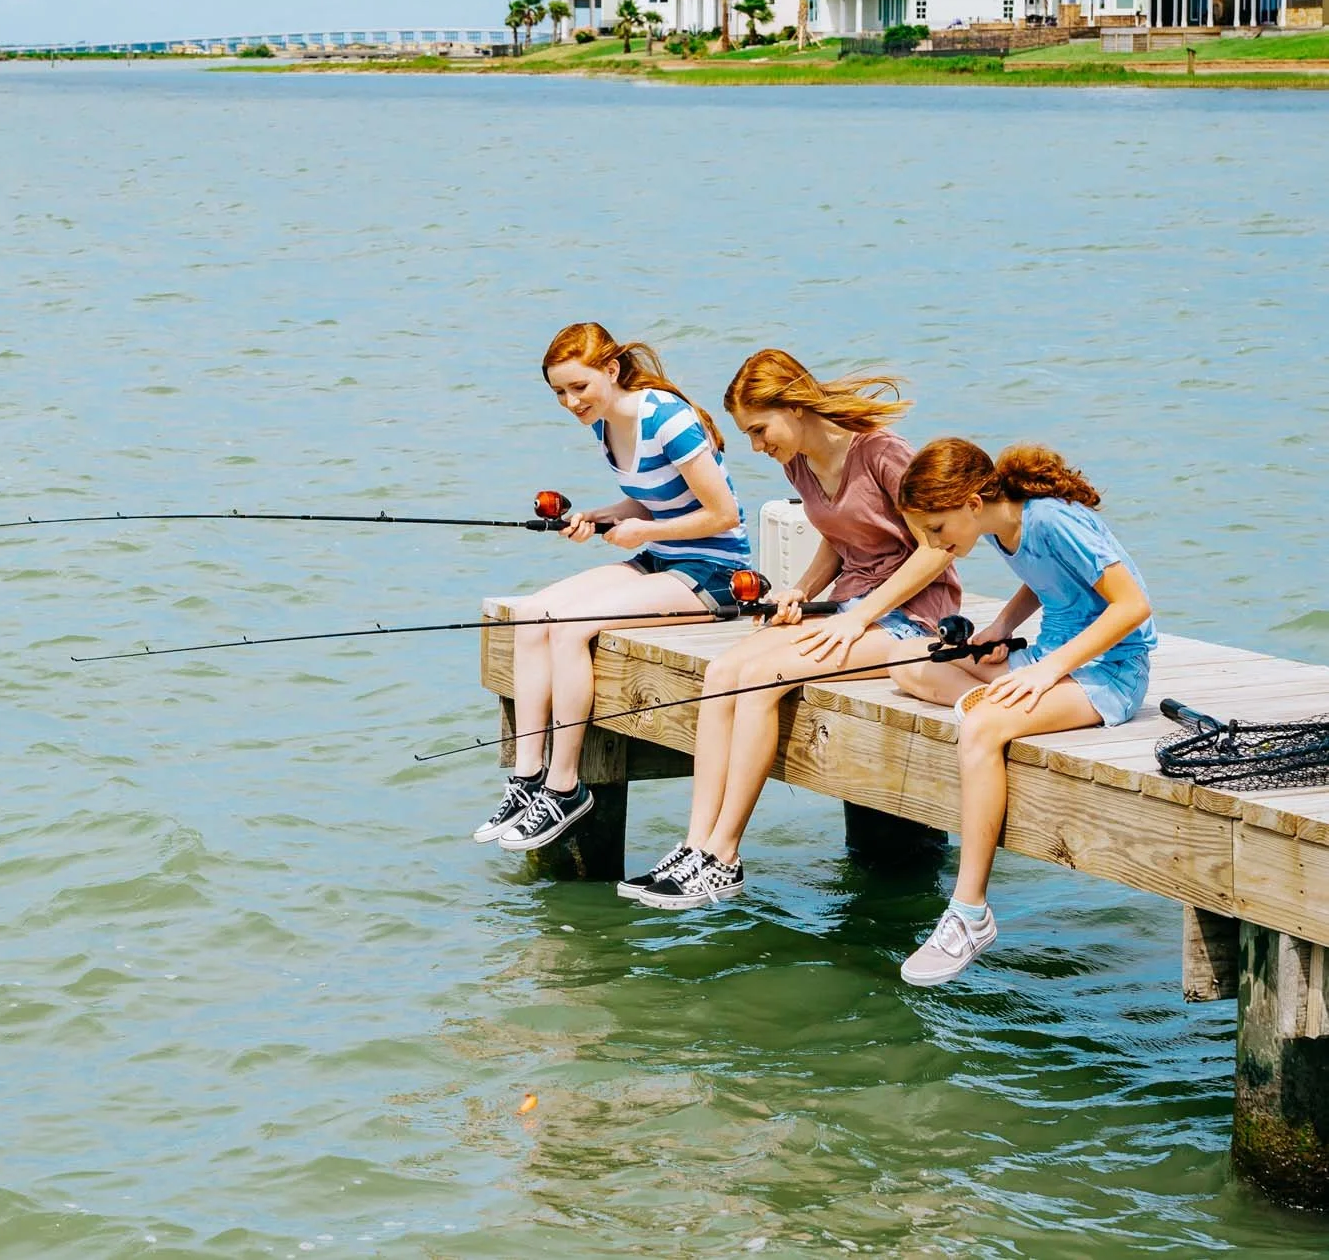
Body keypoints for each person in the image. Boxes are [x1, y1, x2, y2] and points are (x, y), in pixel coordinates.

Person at [623, 350, 962, 909]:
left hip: (910, 616)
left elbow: (937, 548)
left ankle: (725, 856)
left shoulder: (884, 454)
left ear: (794, 406)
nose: (757, 445)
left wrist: (859, 615)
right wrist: (801, 592)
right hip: (846, 606)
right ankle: (696, 845)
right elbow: (837, 534)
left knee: (761, 678)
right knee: (726, 671)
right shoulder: (800, 464)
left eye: (760, 429)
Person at [887, 439, 1155, 986]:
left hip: (1108, 673)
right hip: (1050, 658)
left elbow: (1134, 606)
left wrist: (1046, 671)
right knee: (906, 665)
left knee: (982, 727)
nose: (935, 544)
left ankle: (968, 914)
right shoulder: (1006, 527)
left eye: (936, 529)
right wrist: (1000, 630)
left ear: (970, 502)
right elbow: (1044, 578)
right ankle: (995, 696)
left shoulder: (1052, 520)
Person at [474, 322, 747, 852]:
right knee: (533, 613)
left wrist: (645, 531)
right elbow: (655, 500)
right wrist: (602, 516)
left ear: (611, 370)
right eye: (559, 392)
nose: (571, 401)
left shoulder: (667, 419)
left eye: (579, 386)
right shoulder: (604, 425)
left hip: (711, 572)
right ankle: (529, 779)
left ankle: (565, 787)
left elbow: (722, 513)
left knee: (572, 627)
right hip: (660, 558)